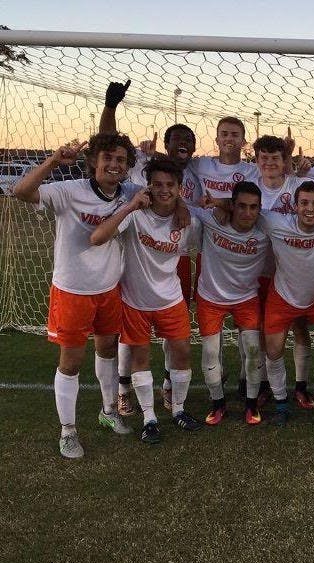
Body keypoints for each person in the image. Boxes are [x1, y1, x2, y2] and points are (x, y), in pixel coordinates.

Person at [13, 134, 139, 457]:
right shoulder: (70, 191)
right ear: (93, 162)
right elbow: (21, 192)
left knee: (108, 350)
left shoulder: (127, 196)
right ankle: (67, 431)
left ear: (127, 168)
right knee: (71, 361)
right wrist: (54, 161)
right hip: (72, 290)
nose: (113, 165)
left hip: (109, 289)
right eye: (107, 158)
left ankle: (108, 411)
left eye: (121, 160)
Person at [98, 79, 202, 417]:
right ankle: (126, 387)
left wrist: (183, 207)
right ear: (167, 144)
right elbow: (108, 145)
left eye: (189, 140)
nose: (182, 144)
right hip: (136, 260)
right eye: (177, 139)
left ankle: (172, 388)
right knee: (133, 335)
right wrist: (111, 107)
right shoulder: (143, 170)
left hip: (176, 261)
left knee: (176, 336)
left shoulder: (198, 172)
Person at [90, 158, 201, 443]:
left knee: (183, 354)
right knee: (140, 358)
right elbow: (99, 236)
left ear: (179, 189)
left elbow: (198, 245)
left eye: (170, 185)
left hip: (171, 299)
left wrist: (184, 208)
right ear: (148, 186)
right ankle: (149, 418)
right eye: (158, 185)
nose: (164, 190)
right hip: (134, 301)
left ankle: (178, 410)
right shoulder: (135, 215)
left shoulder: (190, 222)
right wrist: (129, 206)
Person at [257, 181, 314, 425]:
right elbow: (239, 209)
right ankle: (281, 402)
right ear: (295, 205)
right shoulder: (276, 222)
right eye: (304, 203)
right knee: (273, 350)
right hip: (282, 296)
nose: (309, 209)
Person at [193, 181, 270, 427]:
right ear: (232, 206)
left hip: (246, 298)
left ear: (260, 208)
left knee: (253, 349)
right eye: (241, 206)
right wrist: (214, 203)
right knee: (210, 353)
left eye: (253, 207)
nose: (248, 213)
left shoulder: (266, 229)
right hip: (210, 298)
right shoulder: (211, 221)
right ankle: (218, 403)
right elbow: (181, 207)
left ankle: (250, 404)